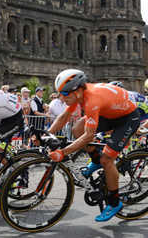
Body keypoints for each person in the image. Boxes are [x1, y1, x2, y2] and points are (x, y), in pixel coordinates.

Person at [48, 69, 140, 222]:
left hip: (128, 119)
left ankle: (114, 203)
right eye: (60, 94)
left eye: (64, 94)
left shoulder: (92, 100)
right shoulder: (79, 94)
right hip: (111, 114)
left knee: (107, 160)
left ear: (77, 90)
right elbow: (64, 116)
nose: (62, 98)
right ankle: (95, 160)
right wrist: (47, 133)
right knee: (77, 128)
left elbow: (89, 136)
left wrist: (63, 152)